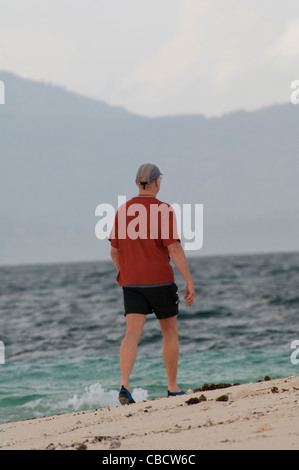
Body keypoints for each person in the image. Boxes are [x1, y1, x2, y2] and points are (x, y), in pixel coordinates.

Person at [109, 163, 195, 405]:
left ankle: (124, 385)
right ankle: (172, 387)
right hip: (159, 281)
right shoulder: (164, 210)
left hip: (132, 283)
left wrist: (123, 274)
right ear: (157, 182)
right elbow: (174, 248)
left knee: (131, 335)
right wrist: (188, 280)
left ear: (137, 183)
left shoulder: (122, 211)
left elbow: (114, 252)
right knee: (169, 332)